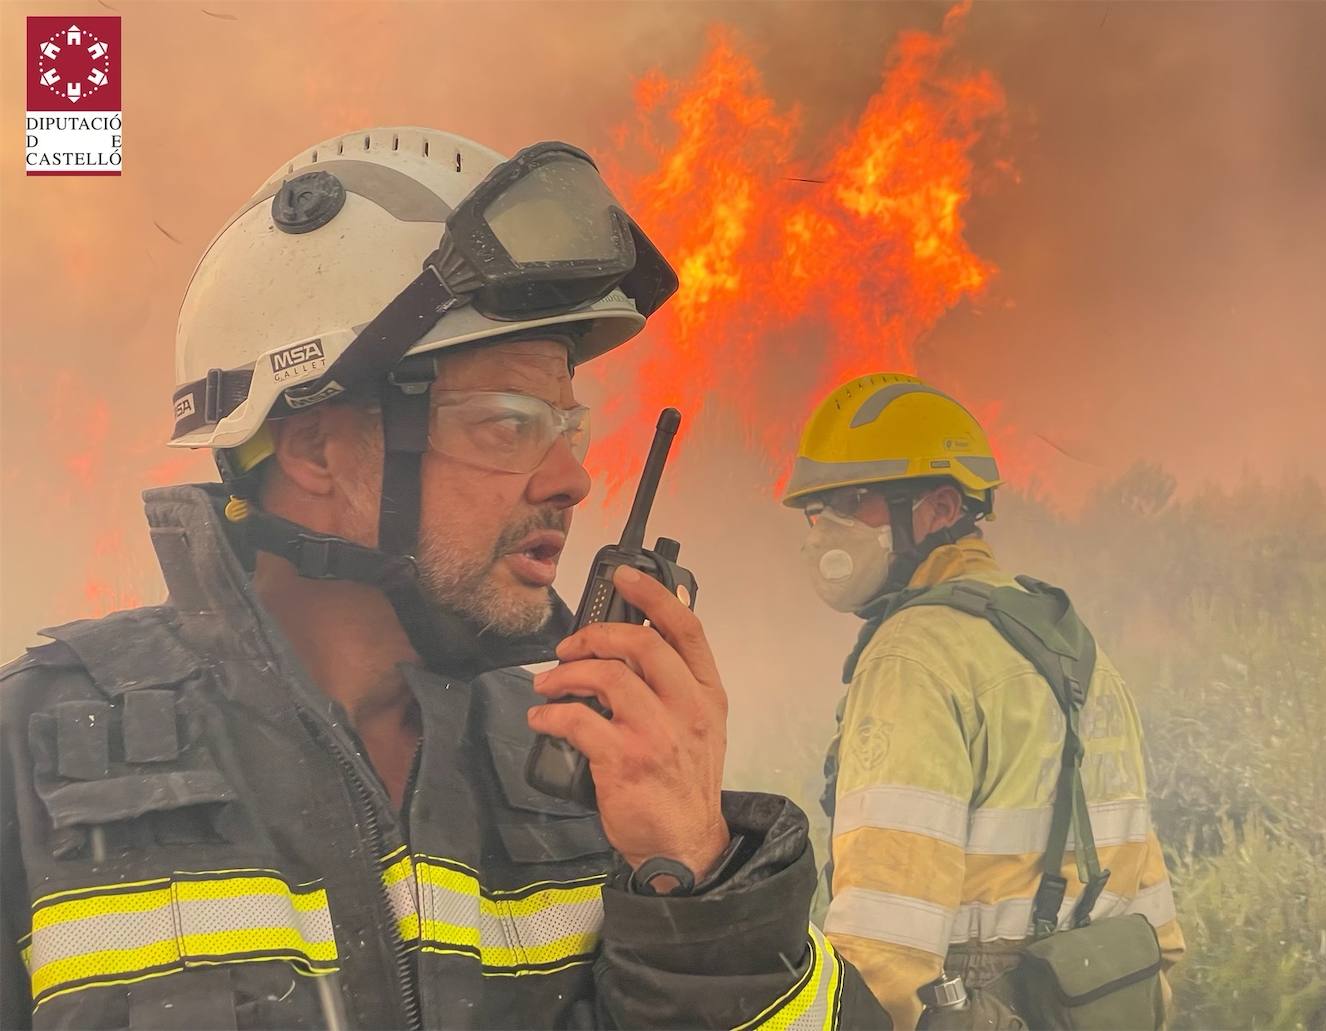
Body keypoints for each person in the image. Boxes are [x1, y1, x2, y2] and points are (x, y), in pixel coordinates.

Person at [0, 127, 887, 1031]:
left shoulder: (589, 777)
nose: (571, 479)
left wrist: (700, 887)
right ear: (318, 449)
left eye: (566, 427)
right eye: (507, 424)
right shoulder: (27, 762)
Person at [783, 373, 1185, 1029]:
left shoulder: (912, 655)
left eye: (856, 501)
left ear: (941, 507)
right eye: (816, 509)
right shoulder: (1074, 648)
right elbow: (1156, 923)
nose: (827, 529)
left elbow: (883, 962)